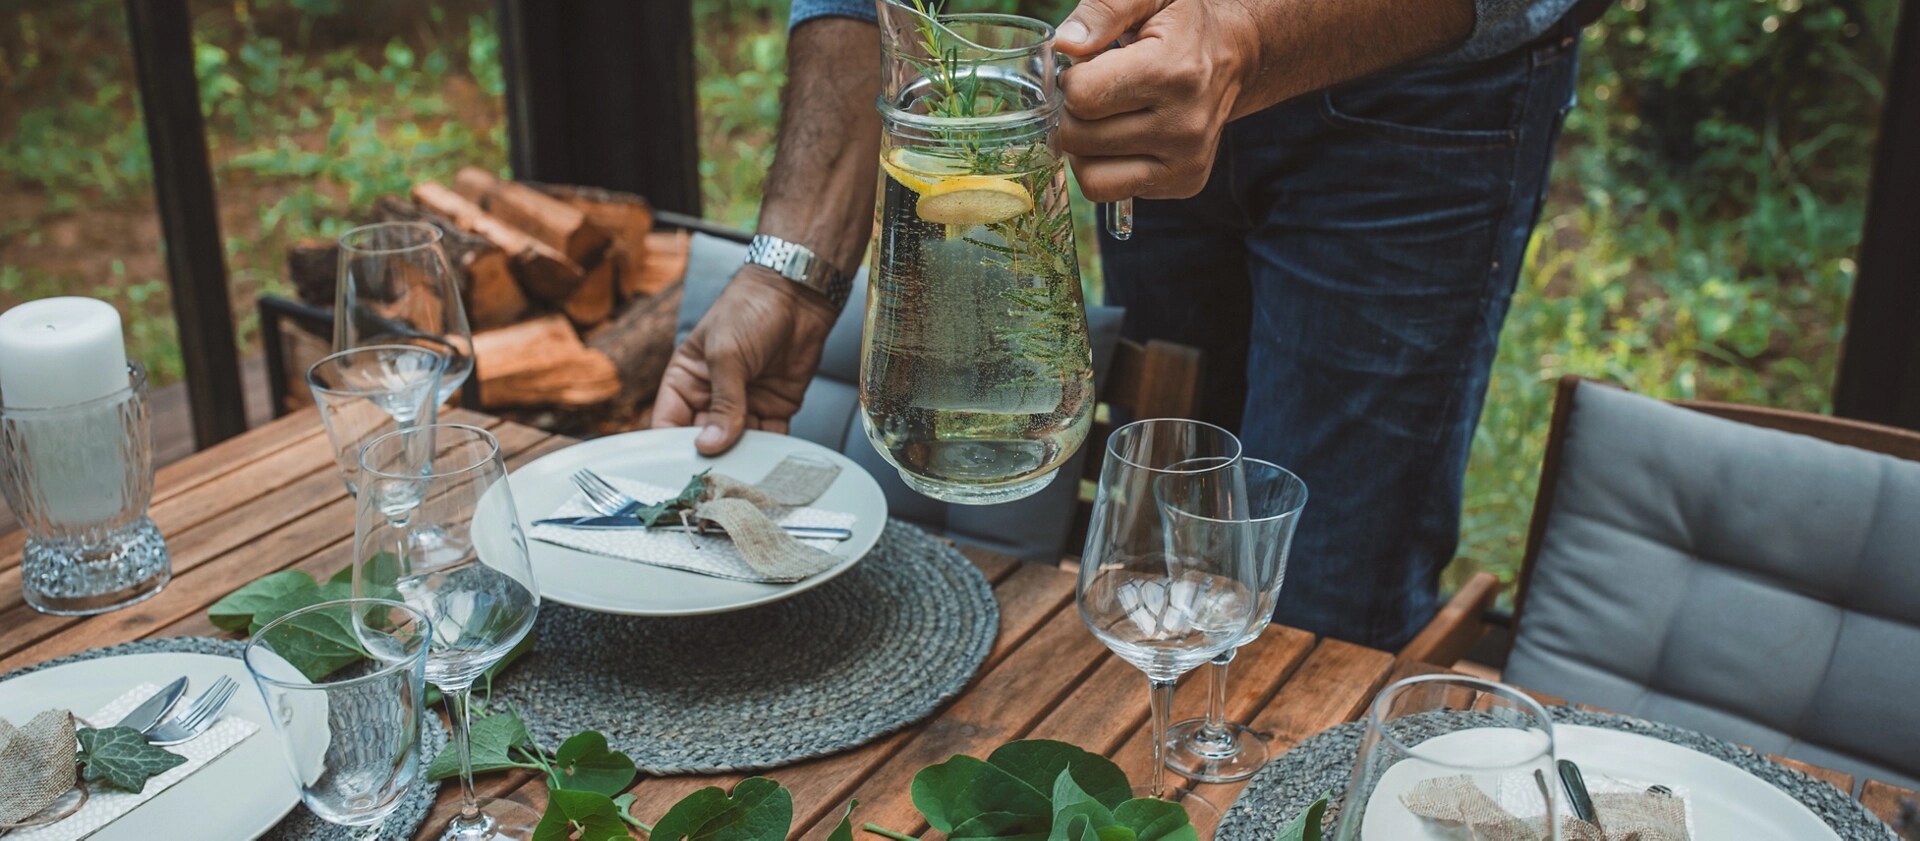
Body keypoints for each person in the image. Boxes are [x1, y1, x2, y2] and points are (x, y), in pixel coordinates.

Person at [654, 0, 1594, 650]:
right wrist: (796, 273)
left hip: (1413, 86)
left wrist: (1246, 36)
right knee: (1161, 565)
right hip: (1133, 65)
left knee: (1319, 589)